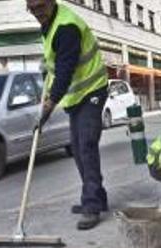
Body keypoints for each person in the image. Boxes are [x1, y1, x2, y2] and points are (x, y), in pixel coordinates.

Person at [26, 0, 109, 230]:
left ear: (51, 2)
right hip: (76, 96)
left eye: (40, 7)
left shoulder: (66, 27)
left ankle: (91, 206)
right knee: (78, 149)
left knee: (86, 146)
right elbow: (53, 65)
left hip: (92, 90)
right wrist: (45, 75)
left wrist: (47, 110)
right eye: (31, 9)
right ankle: (98, 199)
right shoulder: (49, 24)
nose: (36, 13)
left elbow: (64, 73)